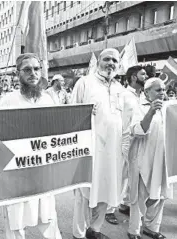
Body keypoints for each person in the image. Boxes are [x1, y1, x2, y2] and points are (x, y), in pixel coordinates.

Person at [0, 53, 61, 239]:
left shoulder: (48, 100)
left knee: (48, 218)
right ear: (18, 74)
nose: (33, 73)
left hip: (43, 170)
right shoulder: (8, 101)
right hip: (17, 173)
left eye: (36, 69)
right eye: (27, 69)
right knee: (15, 221)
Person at [71, 48, 125, 239]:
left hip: (113, 151)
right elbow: (71, 114)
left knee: (106, 189)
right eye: (107, 59)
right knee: (84, 192)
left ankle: (95, 229)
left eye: (115, 60)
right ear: (98, 62)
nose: (111, 63)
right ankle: (78, 233)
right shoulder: (84, 83)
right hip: (90, 149)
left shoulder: (120, 88)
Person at [127, 78, 172, 239]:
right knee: (139, 196)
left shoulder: (168, 107)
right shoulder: (137, 106)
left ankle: (152, 227)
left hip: (163, 159)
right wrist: (151, 111)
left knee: (160, 196)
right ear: (146, 92)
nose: (162, 93)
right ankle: (134, 230)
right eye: (158, 90)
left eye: (163, 90)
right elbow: (137, 131)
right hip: (143, 158)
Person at [105, 65, 148, 225]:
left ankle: (125, 203)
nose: (146, 77)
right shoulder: (122, 95)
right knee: (120, 176)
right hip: (123, 140)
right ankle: (109, 209)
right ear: (134, 77)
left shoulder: (144, 96)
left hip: (141, 141)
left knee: (136, 176)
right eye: (143, 74)